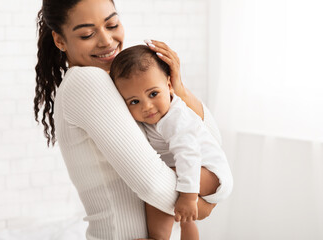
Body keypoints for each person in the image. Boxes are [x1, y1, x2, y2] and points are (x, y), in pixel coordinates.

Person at [34, 0, 232, 239]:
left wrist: (178, 90)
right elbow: (153, 184)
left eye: (112, 24)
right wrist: (204, 206)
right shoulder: (87, 81)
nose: (107, 40)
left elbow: (208, 140)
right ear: (60, 40)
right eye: (87, 34)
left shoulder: (124, 84)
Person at [109, 45, 233, 240]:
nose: (147, 107)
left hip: (210, 171)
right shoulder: (154, 116)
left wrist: (189, 196)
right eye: (134, 102)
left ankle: (158, 237)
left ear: (168, 86)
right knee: (181, 209)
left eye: (153, 94)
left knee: (161, 181)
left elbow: (189, 154)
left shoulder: (175, 118)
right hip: (195, 170)